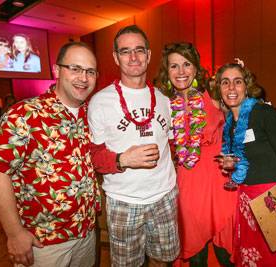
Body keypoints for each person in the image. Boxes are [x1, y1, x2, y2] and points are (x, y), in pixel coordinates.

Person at [0, 41, 100, 267]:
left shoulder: (90, 114)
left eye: (90, 71)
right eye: (75, 68)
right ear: (56, 71)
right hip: (43, 242)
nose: (83, 78)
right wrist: (15, 233)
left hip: (85, 233)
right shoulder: (24, 114)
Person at [88, 25, 179, 267]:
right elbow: (94, 156)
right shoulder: (100, 102)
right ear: (116, 57)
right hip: (123, 201)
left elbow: (172, 145)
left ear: (148, 55)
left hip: (164, 196)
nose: (134, 57)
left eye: (139, 50)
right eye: (125, 51)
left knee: (162, 261)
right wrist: (122, 160)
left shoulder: (164, 100)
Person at [215, 62, 276, 266]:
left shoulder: (264, 114)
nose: (231, 88)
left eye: (237, 82)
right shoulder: (229, 124)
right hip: (247, 206)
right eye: (225, 82)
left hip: (274, 203)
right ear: (219, 89)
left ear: (246, 86)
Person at [155, 43, 235, 266]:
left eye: (186, 64)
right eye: (174, 66)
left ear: (196, 68)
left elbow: (244, 117)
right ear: (167, 71)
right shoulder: (163, 105)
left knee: (225, 253)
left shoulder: (214, 96)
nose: (181, 72)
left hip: (220, 183)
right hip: (188, 184)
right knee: (195, 253)